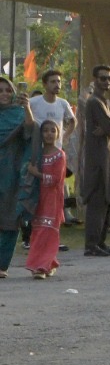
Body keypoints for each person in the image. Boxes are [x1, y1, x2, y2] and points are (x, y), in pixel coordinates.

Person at [78, 66, 110, 258]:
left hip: (107, 156)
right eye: (103, 78)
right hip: (98, 160)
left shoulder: (104, 101)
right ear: (95, 80)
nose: (107, 82)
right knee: (97, 202)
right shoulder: (94, 102)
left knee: (107, 201)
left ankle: (101, 242)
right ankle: (92, 244)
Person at [0, 76, 39, 274]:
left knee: (9, 216)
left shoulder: (18, 114)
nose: (5, 94)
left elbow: (31, 131)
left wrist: (27, 108)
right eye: (1, 90)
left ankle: (1, 264)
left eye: (8, 90)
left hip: (11, 171)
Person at [24, 118, 66, 278]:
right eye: (45, 130)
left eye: (52, 131)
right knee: (38, 232)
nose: (49, 134)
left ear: (57, 134)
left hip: (53, 199)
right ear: (40, 134)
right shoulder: (37, 155)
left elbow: (55, 179)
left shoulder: (59, 155)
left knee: (48, 232)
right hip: (37, 199)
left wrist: (37, 174)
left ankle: (41, 267)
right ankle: (48, 263)